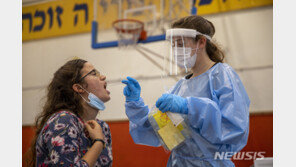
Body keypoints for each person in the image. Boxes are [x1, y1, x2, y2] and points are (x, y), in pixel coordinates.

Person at [122, 15, 250, 167]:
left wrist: (191, 107)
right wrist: (135, 105)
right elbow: (157, 130)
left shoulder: (222, 75)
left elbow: (233, 129)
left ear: (201, 41)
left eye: (181, 43)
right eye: (174, 45)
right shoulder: (180, 86)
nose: (176, 49)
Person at [28, 59, 113, 167]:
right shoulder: (63, 121)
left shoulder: (102, 127)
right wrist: (98, 142)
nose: (103, 77)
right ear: (78, 87)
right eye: (93, 74)